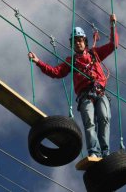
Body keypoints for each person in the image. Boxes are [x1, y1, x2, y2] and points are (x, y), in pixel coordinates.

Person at [28, 14, 118, 158]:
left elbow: (113, 45)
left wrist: (113, 25)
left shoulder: (95, 54)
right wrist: (38, 62)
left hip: (100, 92)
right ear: (72, 44)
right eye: (75, 41)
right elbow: (55, 72)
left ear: (85, 42)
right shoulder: (72, 61)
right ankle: (94, 152)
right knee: (89, 122)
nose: (78, 43)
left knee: (104, 118)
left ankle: (105, 152)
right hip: (85, 95)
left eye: (80, 40)